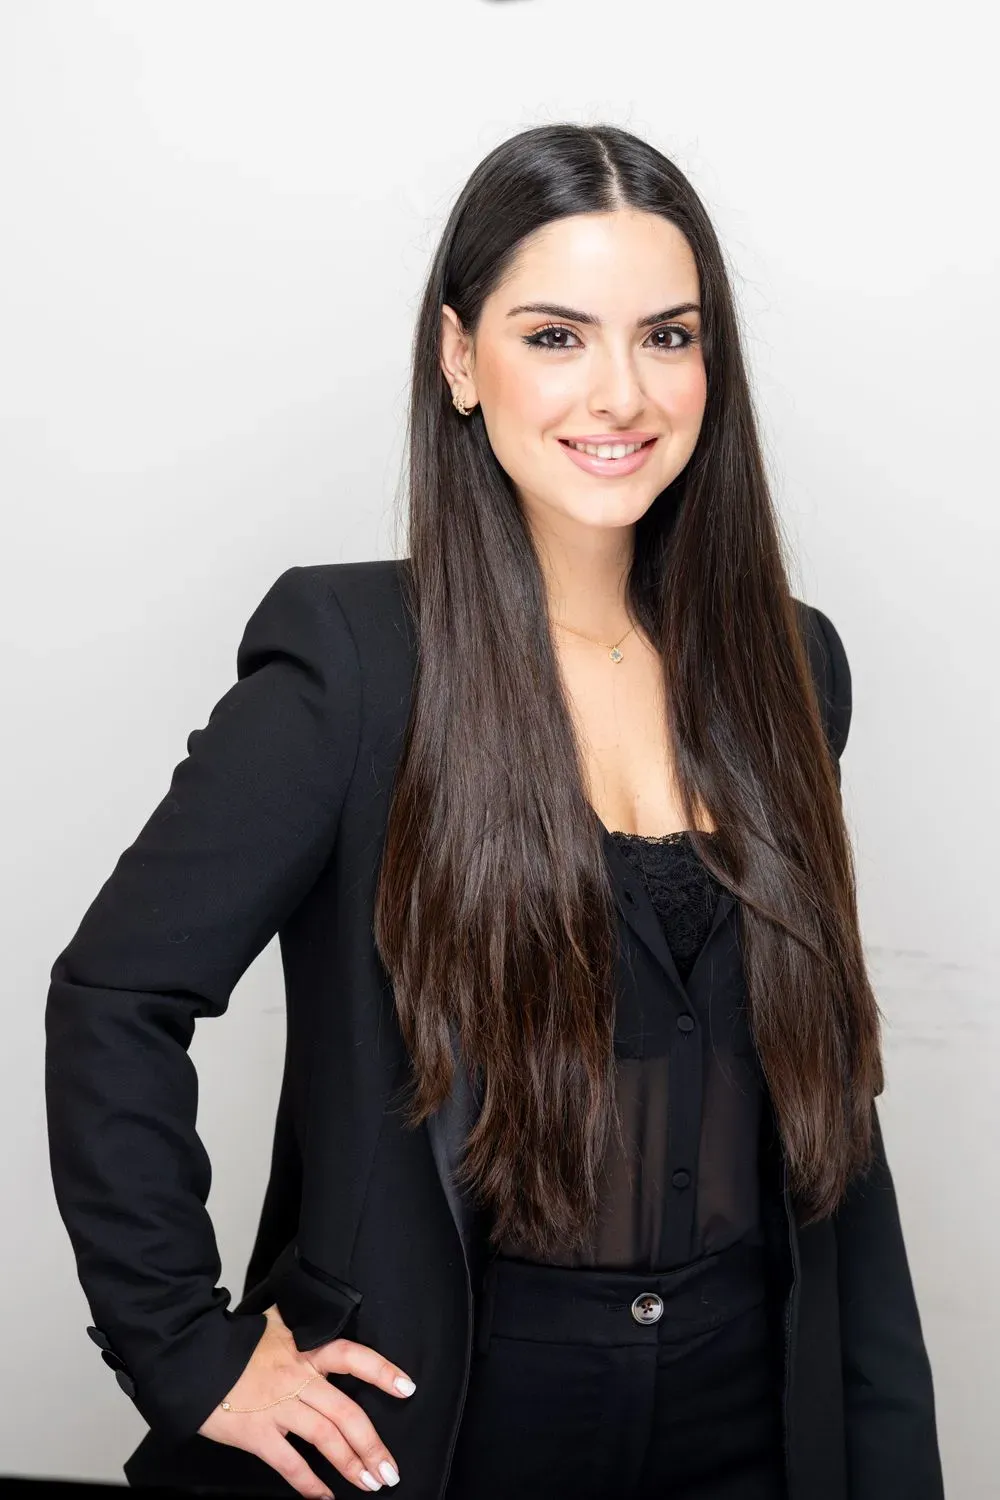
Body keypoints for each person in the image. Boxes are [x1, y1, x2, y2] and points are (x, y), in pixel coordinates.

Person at [44, 122, 945, 1500]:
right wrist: (186, 1350)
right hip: (449, 1420)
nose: (621, 392)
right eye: (556, 336)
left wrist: (887, 1447)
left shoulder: (790, 665)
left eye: (667, 336)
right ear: (461, 359)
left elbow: (834, 1122)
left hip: (752, 1419)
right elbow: (114, 996)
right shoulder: (353, 666)